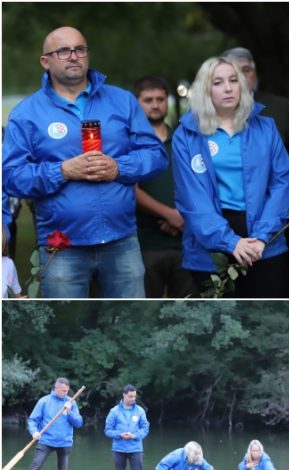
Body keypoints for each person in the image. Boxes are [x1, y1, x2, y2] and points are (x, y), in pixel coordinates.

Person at [2, 26, 167, 298]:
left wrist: (118, 168)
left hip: (122, 240)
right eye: (63, 51)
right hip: (62, 247)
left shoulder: (122, 101)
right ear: (45, 61)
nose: (73, 56)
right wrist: (62, 171)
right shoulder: (26, 114)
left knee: (130, 327)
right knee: (68, 331)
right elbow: (12, 178)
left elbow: (156, 155)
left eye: (80, 49)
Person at [172, 56, 289, 298]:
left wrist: (261, 237)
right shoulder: (186, 135)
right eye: (217, 82)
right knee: (219, 326)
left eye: (233, 80)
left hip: (263, 240)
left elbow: (282, 184)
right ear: (205, 90)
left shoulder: (265, 128)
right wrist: (231, 242)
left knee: (267, 321)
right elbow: (192, 199)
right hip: (210, 243)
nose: (228, 88)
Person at [132, 75, 197, 298]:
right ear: (137, 102)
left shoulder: (184, 139)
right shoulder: (129, 143)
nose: (155, 104)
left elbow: (198, 183)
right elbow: (129, 190)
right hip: (146, 243)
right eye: (148, 100)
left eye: (160, 99)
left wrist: (182, 217)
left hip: (186, 241)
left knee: (188, 313)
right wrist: (169, 214)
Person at [222, 47, 289, 154]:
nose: (242, 76)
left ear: (254, 74)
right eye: (235, 71)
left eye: (246, 70)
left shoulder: (282, 107)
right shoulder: (214, 110)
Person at [23, 378, 83, 470]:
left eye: (67, 391)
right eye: (63, 391)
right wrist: (34, 432)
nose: (66, 393)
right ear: (56, 388)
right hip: (46, 440)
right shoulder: (44, 401)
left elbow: (79, 423)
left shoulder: (71, 402)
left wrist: (69, 412)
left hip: (65, 442)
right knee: (34, 468)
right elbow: (32, 420)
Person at [104, 384, 150, 470]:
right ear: (124, 395)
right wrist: (120, 435)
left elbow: (145, 428)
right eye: (130, 396)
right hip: (119, 448)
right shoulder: (114, 411)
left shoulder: (140, 410)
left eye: (134, 396)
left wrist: (135, 435)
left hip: (136, 448)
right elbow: (108, 430)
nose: (133, 399)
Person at [155, 441, 226, 470]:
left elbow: (208, 469)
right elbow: (160, 467)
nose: (198, 456)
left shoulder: (199, 458)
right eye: (196, 454)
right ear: (190, 453)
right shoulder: (177, 455)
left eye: (199, 453)